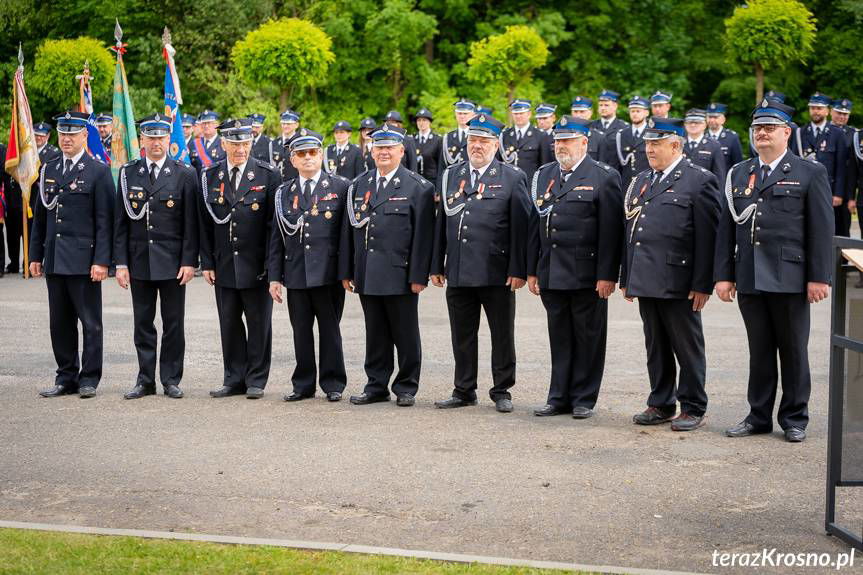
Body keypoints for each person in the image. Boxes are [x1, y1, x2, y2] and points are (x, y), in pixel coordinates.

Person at [716, 99, 833, 443]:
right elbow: (726, 228)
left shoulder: (809, 172)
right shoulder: (740, 173)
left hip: (790, 277)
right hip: (750, 275)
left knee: (793, 350)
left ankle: (795, 418)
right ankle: (758, 416)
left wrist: (819, 277)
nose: (762, 134)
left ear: (786, 132)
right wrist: (724, 275)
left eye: (769, 128)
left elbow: (821, 229)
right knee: (760, 350)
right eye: (757, 128)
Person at [620, 117, 721, 431]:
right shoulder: (641, 179)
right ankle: (661, 402)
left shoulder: (699, 180)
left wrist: (703, 283)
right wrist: (627, 276)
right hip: (645, 276)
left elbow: (708, 236)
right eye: (648, 144)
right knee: (656, 345)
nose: (649, 149)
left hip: (680, 280)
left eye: (656, 143)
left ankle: (693, 405)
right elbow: (631, 230)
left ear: (676, 145)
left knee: (687, 346)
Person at [431, 114, 531, 413]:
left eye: (484, 141)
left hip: (496, 271)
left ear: (496, 145)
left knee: (502, 334)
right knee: (462, 334)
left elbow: (521, 228)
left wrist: (518, 269)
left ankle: (502, 389)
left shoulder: (512, 177)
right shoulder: (451, 175)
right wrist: (436, 264)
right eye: (473, 140)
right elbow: (441, 222)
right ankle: (464, 389)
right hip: (459, 268)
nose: (477, 145)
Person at [526, 116, 623, 419]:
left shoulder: (603, 176)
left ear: (584, 142)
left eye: (567, 140)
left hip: (586, 273)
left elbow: (612, 231)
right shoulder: (544, 174)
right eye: (558, 140)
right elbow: (536, 224)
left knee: (588, 337)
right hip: (552, 270)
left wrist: (607, 274)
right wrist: (532, 269)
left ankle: (583, 398)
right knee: (559, 338)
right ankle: (558, 397)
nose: (561, 146)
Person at [341, 124, 435, 407]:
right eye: (378, 147)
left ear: (401, 151)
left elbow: (423, 237)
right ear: (371, 151)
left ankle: (406, 386)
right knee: (375, 333)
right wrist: (347, 271)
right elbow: (349, 232)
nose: (383, 152)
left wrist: (418, 275)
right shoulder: (358, 185)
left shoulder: (418, 187)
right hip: (368, 271)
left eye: (389, 147)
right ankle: (376, 385)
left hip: (400, 273)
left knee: (405, 334)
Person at [29, 111, 115, 398]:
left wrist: (102, 260)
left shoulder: (98, 171)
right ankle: (65, 376)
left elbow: (105, 221)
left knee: (90, 323)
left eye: (72, 133)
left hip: (83, 260)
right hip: (55, 258)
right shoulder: (49, 168)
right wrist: (35, 255)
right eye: (63, 133)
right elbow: (41, 217)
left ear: (84, 135)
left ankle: (89, 378)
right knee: (60, 323)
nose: (66, 138)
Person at [114, 113, 199, 400]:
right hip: (139, 260)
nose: (156, 143)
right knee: (143, 324)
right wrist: (121, 263)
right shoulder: (128, 173)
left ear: (169, 139)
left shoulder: (184, 173)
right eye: (150, 137)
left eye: (161, 137)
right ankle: (145, 380)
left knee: (173, 324)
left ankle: (171, 379)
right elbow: (120, 222)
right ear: (142, 140)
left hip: (173, 263)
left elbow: (191, 224)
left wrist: (189, 261)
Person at [199, 118, 280, 399]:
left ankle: (256, 379)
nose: (240, 149)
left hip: (256, 264)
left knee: (259, 324)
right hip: (224, 263)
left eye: (245, 143)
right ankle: (233, 378)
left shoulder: (268, 175)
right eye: (234, 144)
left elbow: (273, 227)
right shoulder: (210, 176)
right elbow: (205, 224)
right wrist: (207, 262)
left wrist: (272, 267)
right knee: (229, 323)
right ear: (224, 144)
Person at [269, 129, 350, 403]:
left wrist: (346, 272)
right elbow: (276, 238)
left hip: (328, 274)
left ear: (321, 155)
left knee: (330, 331)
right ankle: (303, 384)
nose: (307, 158)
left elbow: (346, 236)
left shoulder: (340, 187)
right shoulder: (283, 192)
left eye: (312, 153)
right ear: (292, 159)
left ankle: (333, 383)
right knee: (301, 332)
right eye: (301, 154)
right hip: (296, 272)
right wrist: (274, 277)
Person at [797, 92, 850, 236]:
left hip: (829, 190)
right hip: (806, 189)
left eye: (819, 108)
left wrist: (838, 193)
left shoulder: (837, 133)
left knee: (833, 230)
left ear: (827, 111)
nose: (816, 111)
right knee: (809, 229)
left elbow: (841, 167)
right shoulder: (800, 132)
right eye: (813, 108)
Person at [500, 98, 551, 181]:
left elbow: (545, 166)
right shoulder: (505, 134)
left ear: (529, 114)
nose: (518, 116)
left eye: (521, 113)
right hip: (508, 183)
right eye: (515, 113)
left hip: (530, 183)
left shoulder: (540, 135)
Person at [605, 96, 651, 188]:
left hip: (646, 183)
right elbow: (616, 164)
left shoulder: (651, 133)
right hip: (626, 185)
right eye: (632, 111)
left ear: (646, 113)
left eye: (638, 111)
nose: (635, 114)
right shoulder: (621, 134)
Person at [683, 108, 726, 182]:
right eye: (689, 122)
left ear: (705, 125)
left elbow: (719, 175)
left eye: (697, 122)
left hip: (704, 188)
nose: (693, 125)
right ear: (685, 124)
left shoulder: (714, 145)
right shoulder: (678, 143)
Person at [439, 99, 477, 176]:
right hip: (452, 178)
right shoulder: (447, 137)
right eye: (459, 113)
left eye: (465, 113)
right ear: (455, 115)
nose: (462, 116)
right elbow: (442, 166)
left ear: (473, 115)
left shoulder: (477, 136)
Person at [706, 103, 744, 168]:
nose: (712, 120)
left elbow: (738, 164)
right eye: (710, 117)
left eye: (715, 117)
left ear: (723, 119)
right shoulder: (702, 136)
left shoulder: (732, 138)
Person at [569, 96, 605, 161]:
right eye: (575, 111)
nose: (578, 115)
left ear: (590, 112)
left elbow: (602, 164)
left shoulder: (599, 137)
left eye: (582, 112)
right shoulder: (564, 135)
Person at [414, 108, 442, 183]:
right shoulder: (412, 139)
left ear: (430, 122)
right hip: (415, 181)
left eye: (424, 120)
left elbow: (440, 164)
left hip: (432, 181)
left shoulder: (438, 140)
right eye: (419, 120)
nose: (421, 123)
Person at [275, 110, 302, 182]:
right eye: (283, 123)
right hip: (277, 184)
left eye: (288, 124)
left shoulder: (301, 143)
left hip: (296, 183)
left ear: (296, 125)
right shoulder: (273, 143)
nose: (285, 126)